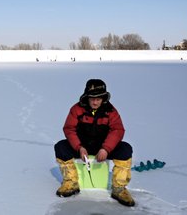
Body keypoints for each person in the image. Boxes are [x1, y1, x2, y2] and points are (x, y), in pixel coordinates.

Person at [54, 79, 135, 207]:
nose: (95, 102)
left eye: (98, 98)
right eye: (92, 98)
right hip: (82, 146)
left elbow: (117, 130)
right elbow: (69, 129)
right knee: (61, 147)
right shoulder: (77, 109)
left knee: (125, 149)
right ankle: (71, 182)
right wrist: (79, 147)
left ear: (103, 98)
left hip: (102, 147)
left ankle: (119, 188)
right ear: (87, 97)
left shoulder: (111, 111)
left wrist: (106, 149)